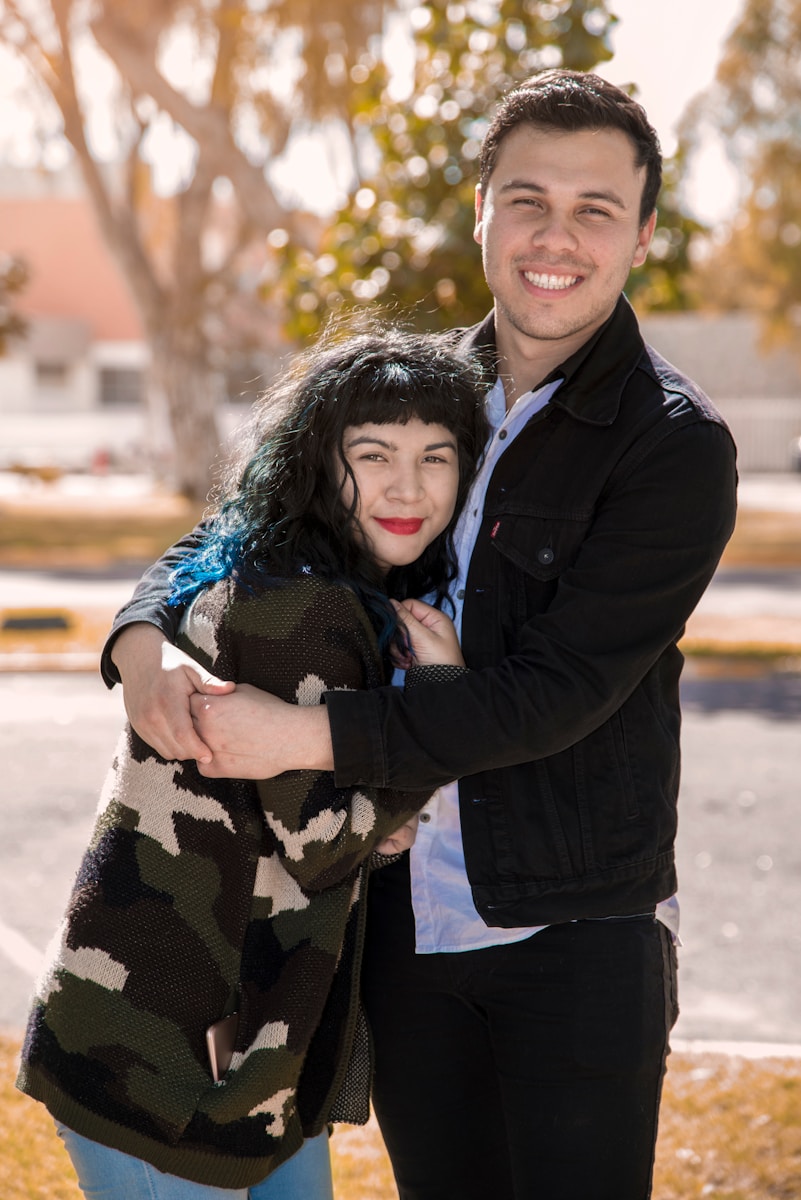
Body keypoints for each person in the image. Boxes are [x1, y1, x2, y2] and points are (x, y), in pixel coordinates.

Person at [92, 70, 738, 1200]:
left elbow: (552, 694)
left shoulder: (673, 443)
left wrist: (298, 737)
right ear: (481, 213)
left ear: (642, 235)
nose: (555, 238)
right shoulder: (405, 392)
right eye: (527, 201)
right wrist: (143, 644)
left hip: (575, 934)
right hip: (397, 926)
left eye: (595, 210)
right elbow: (229, 535)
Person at [16, 326, 488, 1199]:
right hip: (152, 1066)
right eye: (373, 455)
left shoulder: (292, 569)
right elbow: (321, 843)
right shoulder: (303, 607)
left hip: (246, 1063)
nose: (408, 486)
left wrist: (381, 815)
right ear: (318, 461)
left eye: (436, 457)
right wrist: (438, 711)